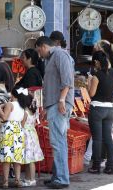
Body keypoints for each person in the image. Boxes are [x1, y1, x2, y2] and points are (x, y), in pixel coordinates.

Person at [35, 36, 74, 189]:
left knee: (58, 142)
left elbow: (67, 80)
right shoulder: (50, 59)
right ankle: (57, 176)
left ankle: (62, 179)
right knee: (59, 141)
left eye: (39, 50)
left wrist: (62, 100)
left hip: (60, 105)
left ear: (44, 46)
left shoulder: (60, 55)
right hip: (54, 104)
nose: (39, 54)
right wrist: (46, 107)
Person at [84, 39, 113, 166]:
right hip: (109, 109)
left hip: (97, 109)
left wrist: (88, 83)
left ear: (97, 62)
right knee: (108, 138)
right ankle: (110, 165)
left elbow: (91, 94)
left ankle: (96, 165)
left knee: (97, 138)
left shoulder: (97, 75)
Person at [0, 86, 33, 188]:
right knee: (17, 158)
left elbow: (4, 117)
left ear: (12, 94)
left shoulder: (10, 104)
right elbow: (22, 124)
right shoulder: (23, 107)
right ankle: (17, 180)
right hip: (18, 132)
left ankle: (5, 182)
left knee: (7, 158)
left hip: (8, 131)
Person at [22, 94, 44, 187]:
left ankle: (31, 180)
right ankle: (28, 179)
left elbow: (22, 125)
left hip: (26, 136)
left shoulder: (25, 112)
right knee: (30, 159)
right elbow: (34, 123)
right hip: (33, 135)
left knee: (29, 160)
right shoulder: (33, 112)